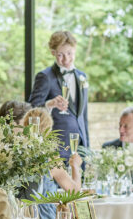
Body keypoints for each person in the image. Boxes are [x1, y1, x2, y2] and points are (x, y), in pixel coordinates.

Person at [28, 31, 90, 161]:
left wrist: (87, 149)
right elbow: (32, 109)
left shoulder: (82, 76)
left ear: (75, 50)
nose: (66, 59)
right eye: (61, 55)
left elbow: (83, 116)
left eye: (69, 53)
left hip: (80, 148)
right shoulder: (45, 76)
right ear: (53, 53)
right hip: (57, 148)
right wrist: (50, 104)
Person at [20, 108, 82, 219]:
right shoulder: (50, 159)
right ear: (49, 130)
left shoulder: (19, 154)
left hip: (23, 216)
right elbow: (74, 192)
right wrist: (75, 167)